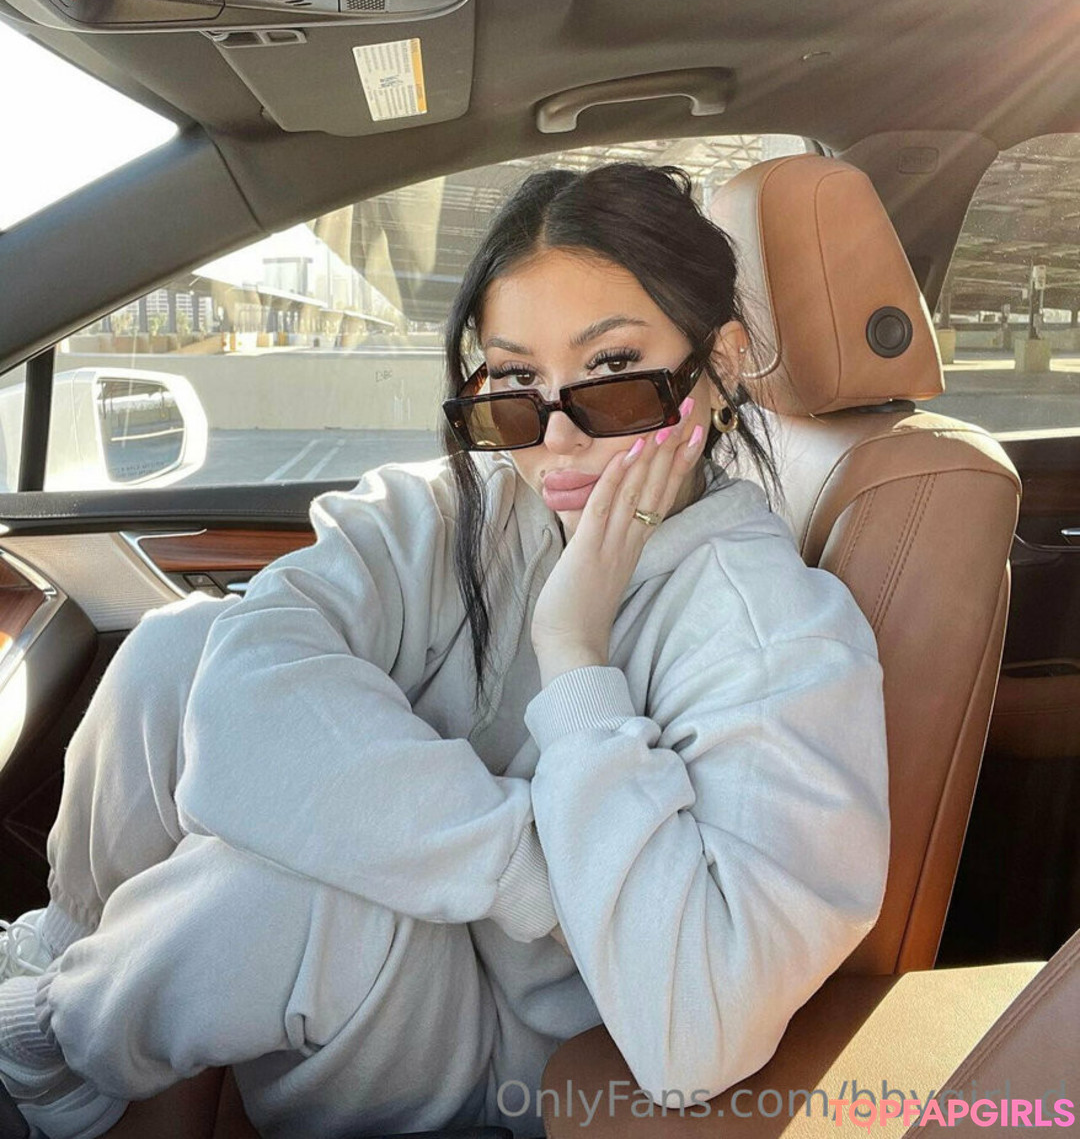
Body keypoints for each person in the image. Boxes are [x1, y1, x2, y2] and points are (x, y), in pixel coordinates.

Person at [0, 163, 890, 1139]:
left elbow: (698, 1029)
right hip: (453, 938)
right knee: (178, 648)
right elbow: (241, 689)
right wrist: (534, 863)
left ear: (719, 362)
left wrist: (575, 655)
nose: (556, 440)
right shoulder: (472, 505)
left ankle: (47, 1054)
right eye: (514, 381)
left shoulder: (770, 633)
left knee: (277, 888)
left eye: (613, 370)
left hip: (523, 1053)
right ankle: (55, 964)